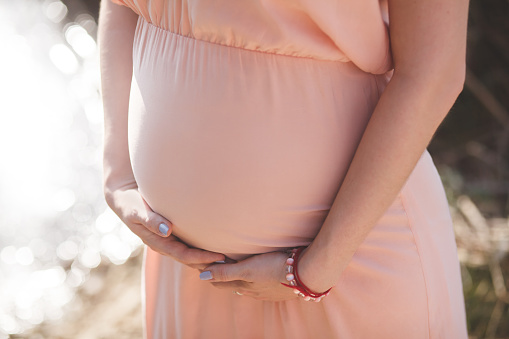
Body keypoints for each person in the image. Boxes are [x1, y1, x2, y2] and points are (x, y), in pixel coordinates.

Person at [98, 0, 470, 337]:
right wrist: (117, 174)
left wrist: (312, 274)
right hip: (186, 266)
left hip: (348, 257)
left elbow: (433, 72)